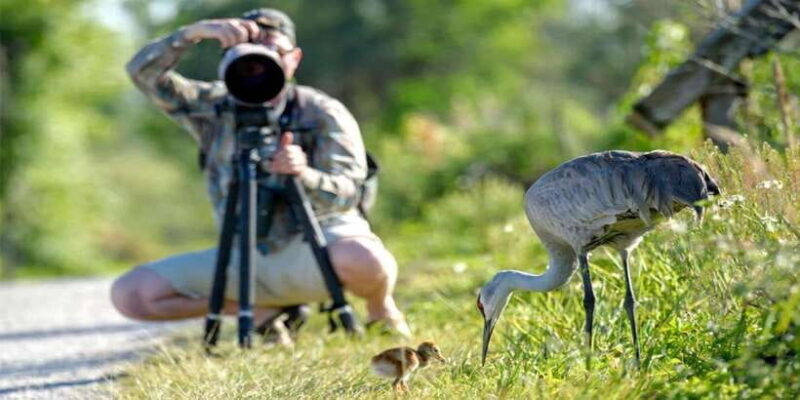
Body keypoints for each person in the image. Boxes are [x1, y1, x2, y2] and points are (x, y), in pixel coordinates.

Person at [110, 8, 410, 340]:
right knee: (132, 294)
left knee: (367, 260)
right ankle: (260, 312)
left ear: (294, 59)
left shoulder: (321, 111)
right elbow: (141, 73)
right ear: (227, 60)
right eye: (250, 55)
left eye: (274, 53)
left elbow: (349, 194)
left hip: (317, 245)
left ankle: (380, 308)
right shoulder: (214, 106)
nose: (260, 63)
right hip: (243, 251)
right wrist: (192, 34)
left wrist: (303, 174)